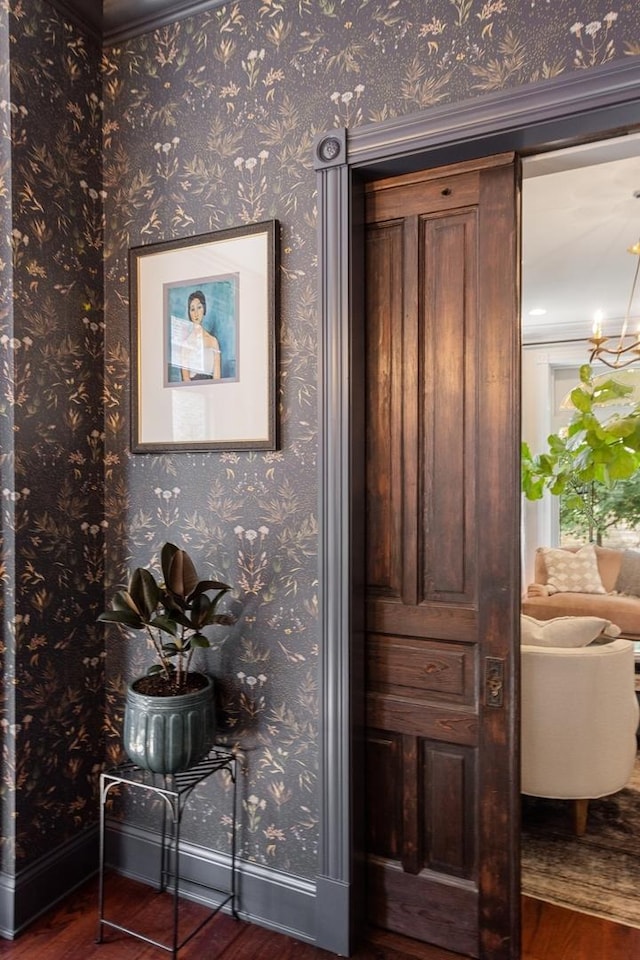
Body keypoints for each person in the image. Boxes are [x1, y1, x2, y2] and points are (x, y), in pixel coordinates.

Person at [178, 290, 222, 381]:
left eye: (199, 307)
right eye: (192, 309)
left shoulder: (213, 341)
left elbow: (217, 378)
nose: (196, 313)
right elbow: (186, 379)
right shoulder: (186, 345)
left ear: (204, 309)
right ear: (189, 313)